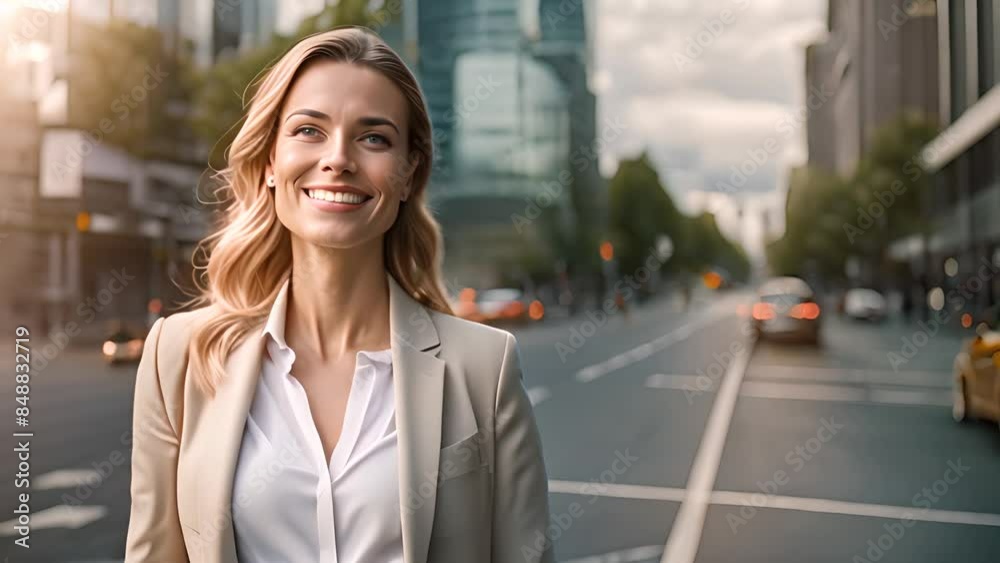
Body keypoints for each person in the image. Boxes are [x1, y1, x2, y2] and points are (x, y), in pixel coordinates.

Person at [125, 27, 554, 563]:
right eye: (309, 130)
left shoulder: (484, 368)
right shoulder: (178, 356)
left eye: (373, 138)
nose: (338, 159)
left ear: (407, 172)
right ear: (269, 164)